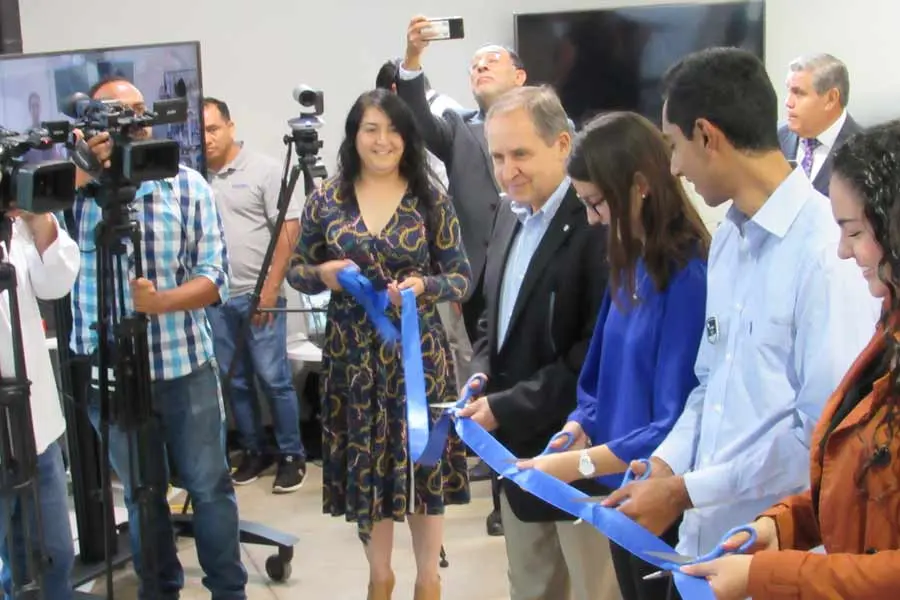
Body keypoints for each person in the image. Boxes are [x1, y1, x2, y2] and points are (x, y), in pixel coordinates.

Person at [601, 47, 880, 579]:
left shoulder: (827, 253)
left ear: (708, 135)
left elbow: (821, 438)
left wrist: (683, 490)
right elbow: (710, 385)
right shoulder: (729, 237)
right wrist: (667, 463)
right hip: (704, 545)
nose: (675, 168)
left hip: (777, 557)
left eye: (674, 147)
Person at [681, 121, 900, 600]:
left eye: (856, 233)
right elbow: (857, 482)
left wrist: (771, 575)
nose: (844, 252)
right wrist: (785, 526)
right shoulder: (889, 330)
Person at [517, 110, 710, 600]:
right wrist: (576, 427)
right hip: (618, 493)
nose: (591, 219)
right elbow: (597, 379)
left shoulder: (688, 278)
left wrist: (574, 465)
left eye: (597, 203)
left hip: (662, 497)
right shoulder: (626, 263)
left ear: (640, 185)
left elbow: (672, 419)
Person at [287, 88, 472, 600]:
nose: (382, 140)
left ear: (407, 137)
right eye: (371, 128)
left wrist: (425, 286)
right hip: (352, 358)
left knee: (421, 468)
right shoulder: (326, 198)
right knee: (372, 470)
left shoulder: (431, 198)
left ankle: (428, 580)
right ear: (354, 136)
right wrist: (324, 272)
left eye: (392, 129)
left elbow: (460, 276)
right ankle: (380, 576)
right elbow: (297, 271)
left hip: (418, 359)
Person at [68, 76, 247, 599]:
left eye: (140, 112)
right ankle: (158, 590)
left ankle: (228, 590)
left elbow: (217, 276)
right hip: (111, 374)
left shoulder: (186, 184)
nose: (133, 124)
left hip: (183, 368)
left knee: (210, 489)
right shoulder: (73, 197)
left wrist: (161, 302)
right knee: (144, 496)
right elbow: (37, 234)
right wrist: (80, 177)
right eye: (116, 116)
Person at [457, 85, 614, 600]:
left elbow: (593, 352)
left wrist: (507, 405)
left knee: (594, 588)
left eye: (520, 154)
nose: (508, 171)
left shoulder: (595, 223)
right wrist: (481, 372)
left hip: (576, 450)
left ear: (563, 144)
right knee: (531, 585)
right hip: (513, 453)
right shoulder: (508, 213)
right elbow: (492, 319)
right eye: (498, 156)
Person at [398, 16, 530, 536]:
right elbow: (416, 119)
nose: (478, 67)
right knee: (490, 384)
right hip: (482, 281)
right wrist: (412, 61)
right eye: (473, 65)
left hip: (541, 270)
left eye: (491, 60)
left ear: (520, 76)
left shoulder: (550, 123)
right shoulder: (459, 130)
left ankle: (541, 480)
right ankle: (505, 498)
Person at [202, 97, 307, 492]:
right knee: (235, 382)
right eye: (201, 133)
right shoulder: (196, 177)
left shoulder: (263, 170)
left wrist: (270, 288)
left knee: (273, 379)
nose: (208, 139)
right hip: (214, 299)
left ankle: (291, 454)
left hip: (258, 295)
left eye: (213, 129)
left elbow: (288, 231)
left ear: (230, 126)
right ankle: (252, 450)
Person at [374, 59, 473, 395]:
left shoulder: (441, 118)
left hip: (434, 271)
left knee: (452, 352)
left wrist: (438, 281)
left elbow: (445, 200)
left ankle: (458, 423)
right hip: (389, 295)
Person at [0, 210, 79, 598]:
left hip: (35, 428)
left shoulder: (14, 226)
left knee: (55, 557)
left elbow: (56, 283)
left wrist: (40, 222)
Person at [777, 53, 861, 196]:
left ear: (831, 98)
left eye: (799, 93)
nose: (788, 102)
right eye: (789, 91)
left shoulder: (864, 152)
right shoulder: (775, 139)